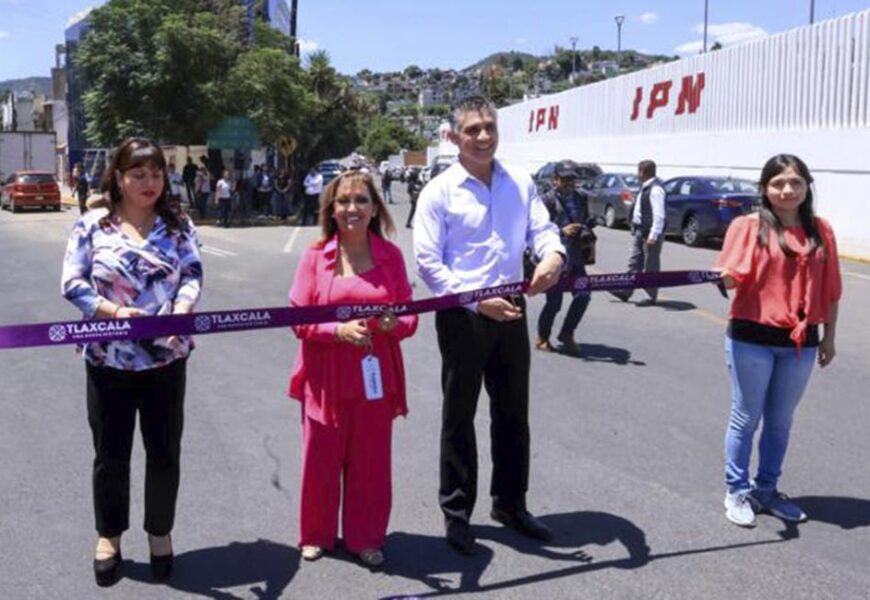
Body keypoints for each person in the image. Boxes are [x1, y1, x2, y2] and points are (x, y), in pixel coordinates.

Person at [414, 95, 565, 555]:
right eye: (472, 130)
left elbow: (543, 229)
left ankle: (511, 504)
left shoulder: (519, 182)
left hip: (513, 310)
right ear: (455, 136)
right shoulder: (439, 191)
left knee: (513, 413)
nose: (482, 137)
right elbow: (427, 262)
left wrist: (554, 256)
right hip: (463, 314)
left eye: (488, 128)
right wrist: (478, 303)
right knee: (458, 416)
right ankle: (457, 514)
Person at [60, 137, 203, 586]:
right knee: (111, 453)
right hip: (108, 359)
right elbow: (73, 283)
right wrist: (115, 313)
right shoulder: (91, 226)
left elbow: (192, 275)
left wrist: (180, 312)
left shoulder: (178, 226)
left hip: (167, 359)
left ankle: (160, 533)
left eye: (156, 173)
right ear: (118, 178)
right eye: (138, 174)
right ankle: (109, 535)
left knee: (164, 451)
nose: (149, 182)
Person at [288, 170, 418, 568]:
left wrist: (393, 324)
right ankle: (316, 535)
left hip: (374, 377)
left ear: (375, 207)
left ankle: (366, 538)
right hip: (325, 375)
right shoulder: (315, 255)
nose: (352, 208)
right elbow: (298, 319)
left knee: (371, 462)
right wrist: (336, 330)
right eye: (343, 201)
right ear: (332, 208)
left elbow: (410, 318)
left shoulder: (391, 256)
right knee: (320, 459)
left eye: (361, 200)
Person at [716, 154, 841, 528]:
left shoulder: (821, 230)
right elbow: (731, 276)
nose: (787, 190)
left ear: (807, 187)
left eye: (796, 183)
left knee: (780, 422)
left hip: (800, 343)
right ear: (765, 188)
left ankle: (766, 489)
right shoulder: (748, 226)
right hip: (752, 337)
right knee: (746, 417)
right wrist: (724, 277)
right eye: (778, 183)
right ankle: (736, 490)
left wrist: (829, 338)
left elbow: (832, 290)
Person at [535, 160, 595, 356]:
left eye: (573, 179)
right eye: (565, 179)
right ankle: (542, 337)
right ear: (555, 180)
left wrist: (587, 228)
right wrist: (562, 231)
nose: (570, 183)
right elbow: (538, 231)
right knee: (554, 303)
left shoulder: (581, 198)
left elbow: (584, 220)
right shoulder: (546, 201)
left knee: (584, 295)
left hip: (576, 257)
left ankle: (567, 334)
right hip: (555, 258)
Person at [612, 159, 666, 306]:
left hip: (649, 233)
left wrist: (653, 236)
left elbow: (659, 215)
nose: (637, 174)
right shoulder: (646, 187)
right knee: (634, 262)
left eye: (638, 171)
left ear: (642, 172)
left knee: (651, 265)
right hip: (640, 230)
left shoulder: (656, 189)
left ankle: (651, 296)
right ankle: (626, 291)